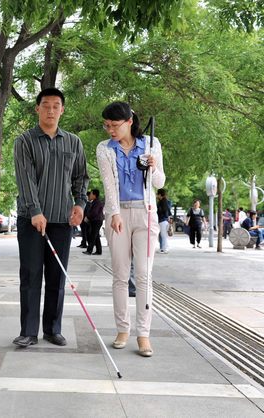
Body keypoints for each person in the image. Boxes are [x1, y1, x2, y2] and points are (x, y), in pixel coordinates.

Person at [13, 87, 89, 348]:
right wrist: (35, 211)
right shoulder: (24, 141)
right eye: (46, 105)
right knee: (31, 275)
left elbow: (81, 177)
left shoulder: (73, 142)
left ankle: (52, 329)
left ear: (62, 110)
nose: (51, 110)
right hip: (31, 220)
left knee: (57, 277)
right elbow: (26, 179)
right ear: (37, 108)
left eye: (56, 105)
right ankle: (28, 332)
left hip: (61, 220)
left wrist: (80, 205)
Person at [96, 101, 165, 357]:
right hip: (119, 214)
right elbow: (108, 184)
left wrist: (153, 164)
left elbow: (159, 182)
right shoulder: (105, 149)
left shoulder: (151, 143)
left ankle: (143, 334)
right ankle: (122, 329)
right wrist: (113, 213)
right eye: (107, 126)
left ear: (129, 122)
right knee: (120, 275)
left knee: (144, 275)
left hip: (146, 214)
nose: (110, 130)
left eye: (114, 125)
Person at [83, 189, 104, 255]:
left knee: (93, 236)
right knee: (96, 236)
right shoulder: (95, 201)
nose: (90, 195)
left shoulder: (97, 202)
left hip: (97, 221)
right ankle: (99, 251)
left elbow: (94, 212)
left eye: (91, 194)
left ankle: (89, 251)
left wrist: (87, 217)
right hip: (96, 220)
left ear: (94, 195)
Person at [156, 189, 172, 253]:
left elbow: (163, 211)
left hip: (162, 220)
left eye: (157, 194)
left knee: (163, 235)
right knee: (163, 235)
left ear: (160, 194)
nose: (156, 195)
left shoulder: (162, 202)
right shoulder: (166, 201)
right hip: (164, 220)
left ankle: (165, 249)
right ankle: (163, 248)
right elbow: (168, 211)